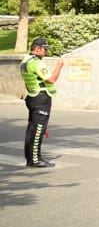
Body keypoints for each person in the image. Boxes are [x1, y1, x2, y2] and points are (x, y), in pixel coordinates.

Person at [20, 37, 64, 168]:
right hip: (41, 99)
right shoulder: (36, 62)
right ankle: (35, 160)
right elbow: (51, 79)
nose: (46, 52)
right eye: (45, 49)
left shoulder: (26, 60)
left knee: (32, 130)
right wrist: (58, 66)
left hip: (32, 97)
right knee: (38, 130)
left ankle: (31, 159)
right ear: (38, 49)